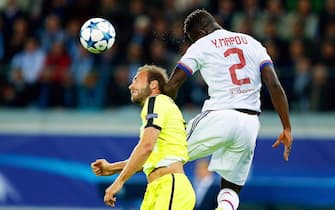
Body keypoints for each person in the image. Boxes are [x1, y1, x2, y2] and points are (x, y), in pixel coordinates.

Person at [164, 9, 293, 210]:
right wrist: (286, 127)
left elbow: (172, 85)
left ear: (202, 31)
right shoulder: (252, 42)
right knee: (230, 189)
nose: (194, 41)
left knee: (165, 153)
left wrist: (164, 113)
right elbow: (274, 85)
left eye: (193, 37)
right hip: (250, 123)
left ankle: (121, 173)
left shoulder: (202, 45)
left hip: (220, 115)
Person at [91, 64, 196, 209]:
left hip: (170, 186)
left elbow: (146, 147)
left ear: (153, 85)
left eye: (136, 80)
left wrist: (118, 182)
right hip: (156, 189)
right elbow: (149, 158)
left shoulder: (156, 101)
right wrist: (112, 168)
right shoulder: (163, 107)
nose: (130, 86)